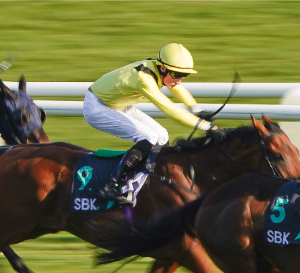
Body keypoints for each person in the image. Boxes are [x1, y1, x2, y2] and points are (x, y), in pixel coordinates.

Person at [84, 44, 216, 201]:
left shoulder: (160, 70)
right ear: (162, 69)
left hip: (117, 105)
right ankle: (111, 185)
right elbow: (170, 110)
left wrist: (196, 109)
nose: (178, 80)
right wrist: (205, 126)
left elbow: (176, 87)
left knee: (161, 135)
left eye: (183, 75)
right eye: (176, 74)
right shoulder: (144, 78)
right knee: (148, 136)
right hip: (97, 107)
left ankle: (150, 178)